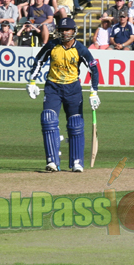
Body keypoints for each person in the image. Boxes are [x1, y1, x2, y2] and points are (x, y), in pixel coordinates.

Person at [26, 17, 100, 172]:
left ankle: (76, 162)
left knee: (76, 124)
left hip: (73, 89)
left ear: (74, 31)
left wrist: (94, 92)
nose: (64, 33)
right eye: (61, 30)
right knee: (48, 118)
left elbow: (94, 69)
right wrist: (32, 82)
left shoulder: (80, 49)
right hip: (53, 87)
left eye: (67, 30)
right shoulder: (52, 45)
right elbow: (38, 61)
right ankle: (52, 161)